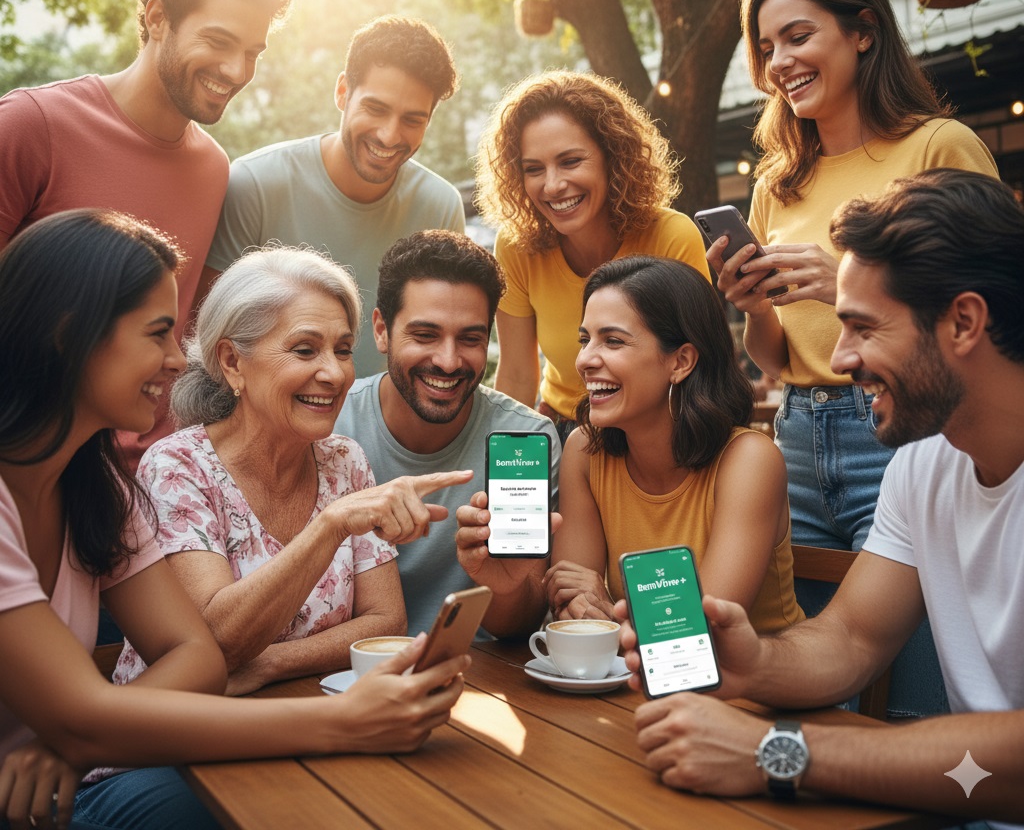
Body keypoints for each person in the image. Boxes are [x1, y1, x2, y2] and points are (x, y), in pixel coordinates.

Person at [0, 211, 467, 830]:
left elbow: (198, 658)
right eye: (158, 333)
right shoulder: (167, 465)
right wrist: (342, 723)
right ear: (68, 333)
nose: (175, 360)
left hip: (89, 765)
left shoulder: (99, 484)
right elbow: (117, 698)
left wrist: (91, 732)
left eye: (342, 349)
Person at [620, 170, 1023, 827]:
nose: (839, 360)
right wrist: (752, 665)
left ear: (964, 322)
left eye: (863, 328)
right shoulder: (924, 461)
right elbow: (852, 637)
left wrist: (774, 751)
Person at [710, 0, 999, 715]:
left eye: (799, 37)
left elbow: (992, 294)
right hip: (798, 438)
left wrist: (837, 270)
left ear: (863, 32)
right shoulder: (778, 183)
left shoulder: (936, 146)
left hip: (908, 430)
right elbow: (771, 358)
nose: (780, 62)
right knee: (811, 660)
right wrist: (755, 304)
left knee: (916, 685)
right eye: (767, 48)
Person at [111, 245, 473, 696]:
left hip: (310, 715)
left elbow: (384, 622)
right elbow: (217, 642)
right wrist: (329, 526)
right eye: (305, 350)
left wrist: (266, 665)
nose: (335, 374)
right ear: (231, 362)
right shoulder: (178, 467)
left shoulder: (344, 460)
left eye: (342, 350)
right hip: (173, 736)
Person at [0, 0, 292, 472]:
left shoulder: (213, 168)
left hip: (144, 480)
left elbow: (177, 335)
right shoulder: (29, 125)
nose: (236, 71)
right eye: (219, 41)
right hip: (27, 464)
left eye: (252, 52)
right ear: (157, 18)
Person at [540, 255, 802, 634]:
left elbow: (702, 628)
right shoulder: (585, 451)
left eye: (612, 341)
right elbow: (574, 608)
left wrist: (610, 607)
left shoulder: (749, 460)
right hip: (629, 684)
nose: (584, 359)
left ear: (681, 361)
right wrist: (589, 608)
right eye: (585, 339)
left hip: (753, 686)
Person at [202, 15, 465, 377]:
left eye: (413, 120)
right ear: (343, 92)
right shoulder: (256, 184)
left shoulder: (440, 206)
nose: (390, 136)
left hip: (389, 423)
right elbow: (210, 342)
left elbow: (443, 339)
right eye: (376, 109)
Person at [336, 230, 560, 637]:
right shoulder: (331, 425)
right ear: (382, 330)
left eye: (470, 339)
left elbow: (518, 630)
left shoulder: (525, 437)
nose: (449, 360)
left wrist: (502, 584)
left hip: (477, 675)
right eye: (425, 335)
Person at [474, 70, 710, 439]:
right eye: (534, 169)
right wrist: (503, 463)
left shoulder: (670, 236)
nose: (552, 185)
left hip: (660, 435)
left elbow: (699, 371)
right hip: (563, 429)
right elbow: (519, 376)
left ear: (612, 157)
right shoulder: (517, 247)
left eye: (570, 161)